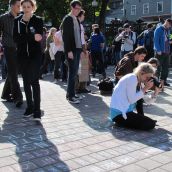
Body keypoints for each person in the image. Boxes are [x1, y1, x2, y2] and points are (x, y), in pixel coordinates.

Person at [13, 0, 43, 121]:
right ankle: (29, 107)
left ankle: (37, 110)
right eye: (23, 7)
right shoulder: (17, 21)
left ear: (33, 7)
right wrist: (31, 37)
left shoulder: (38, 20)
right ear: (21, 8)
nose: (26, 9)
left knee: (34, 81)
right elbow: (16, 38)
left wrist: (26, 38)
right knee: (26, 81)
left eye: (28, 6)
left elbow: (39, 37)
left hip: (35, 55)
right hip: (22, 56)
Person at [110, 63, 157, 130]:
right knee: (150, 124)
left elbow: (145, 100)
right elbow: (132, 100)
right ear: (141, 73)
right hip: (119, 114)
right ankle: (121, 123)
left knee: (151, 122)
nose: (147, 80)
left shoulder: (138, 80)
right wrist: (145, 88)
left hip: (126, 112)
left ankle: (126, 122)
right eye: (147, 77)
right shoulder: (132, 78)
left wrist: (156, 91)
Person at [0, 0, 23, 107]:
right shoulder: (3, 18)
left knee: (13, 72)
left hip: (19, 49)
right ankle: (18, 97)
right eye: (18, 5)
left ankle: (5, 94)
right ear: (12, 5)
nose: (20, 7)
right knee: (13, 73)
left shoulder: (21, 17)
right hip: (8, 48)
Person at [61, 0, 83, 104]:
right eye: (77, 8)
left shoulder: (76, 19)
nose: (79, 10)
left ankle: (72, 93)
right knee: (72, 73)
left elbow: (78, 36)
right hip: (72, 50)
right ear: (72, 8)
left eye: (80, 8)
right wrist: (68, 50)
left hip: (77, 49)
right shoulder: (68, 19)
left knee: (74, 73)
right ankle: (70, 96)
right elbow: (66, 37)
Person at [154, 18, 172, 88]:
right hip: (160, 52)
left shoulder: (169, 30)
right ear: (166, 22)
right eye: (169, 25)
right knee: (157, 67)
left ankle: (163, 81)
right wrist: (158, 50)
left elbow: (170, 36)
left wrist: (170, 39)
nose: (170, 26)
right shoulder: (158, 29)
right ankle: (156, 82)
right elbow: (156, 41)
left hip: (167, 51)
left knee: (165, 68)